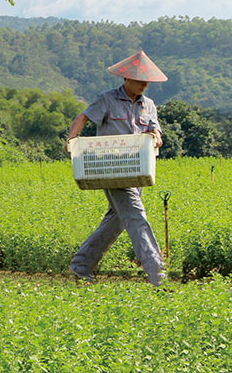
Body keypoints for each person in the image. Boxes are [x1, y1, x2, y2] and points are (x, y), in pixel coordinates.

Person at [64, 50, 167, 286]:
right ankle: (158, 275)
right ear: (126, 79)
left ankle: (81, 265)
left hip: (138, 171)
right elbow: (83, 117)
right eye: (139, 81)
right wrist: (71, 140)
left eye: (146, 82)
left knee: (117, 220)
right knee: (136, 217)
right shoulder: (107, 99)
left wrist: (157, 136)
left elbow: (155, 129)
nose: (143, 85)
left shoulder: (148, 105)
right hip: (111, 169)